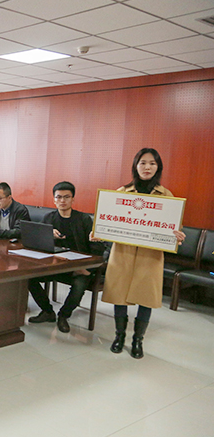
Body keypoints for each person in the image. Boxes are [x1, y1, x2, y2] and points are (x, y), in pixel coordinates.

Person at [98, 148, 185, 359]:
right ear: (135, 166)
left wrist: (177, 236)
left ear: (158, 167)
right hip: (123, 253)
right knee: (119, 295)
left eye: (152, 163)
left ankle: (138, 340)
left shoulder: (167, 196)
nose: (147, 167)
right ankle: (119, 336)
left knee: (146, 297)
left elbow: (173, 227)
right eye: (143, 162)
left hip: (150, 256)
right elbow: (109, 220)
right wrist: (99, 230)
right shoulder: (122, 192)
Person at [27, 182, 107, 332]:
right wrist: (48, 235)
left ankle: (64, 315)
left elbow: (97, 248)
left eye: (66, 197)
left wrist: (88, 269)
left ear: (73, 199)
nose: (62, 200)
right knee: (28, 278)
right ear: (54, 200)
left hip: (79, 268)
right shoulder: (49, 218)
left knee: (79, 285)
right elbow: (37, 242)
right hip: (54, 267)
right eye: (59, 197)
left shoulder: (83, 219)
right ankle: (47, 311)